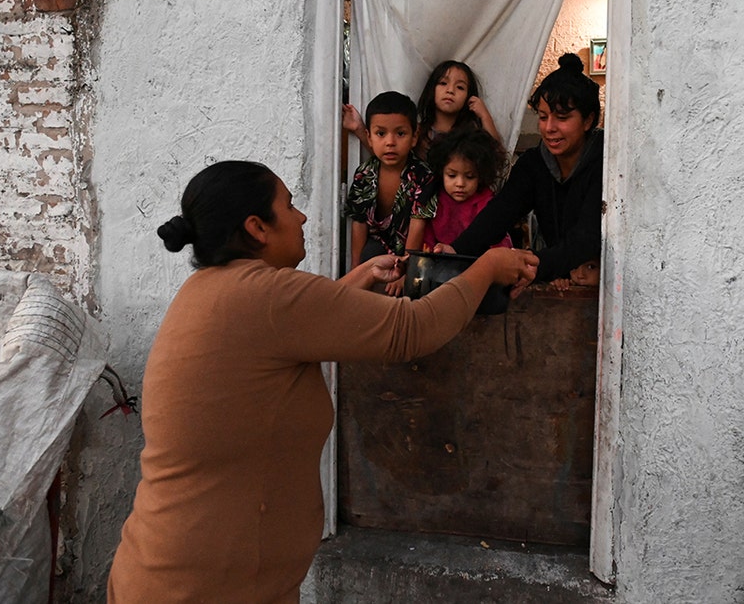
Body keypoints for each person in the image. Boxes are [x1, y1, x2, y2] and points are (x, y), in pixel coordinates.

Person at [107, 160, 537, 604]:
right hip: (200, 586)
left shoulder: (220, 290)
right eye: (289, 206)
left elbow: (305, 321)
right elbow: (413, 328)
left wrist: (364, 275)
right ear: (257, 227)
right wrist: (486, 268)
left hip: (192, 573)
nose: (303, 217)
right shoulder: (268, 296)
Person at [438, 53, 602, 282]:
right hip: (558, 279)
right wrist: (456, 251)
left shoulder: (605, 165)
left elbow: (586, 238)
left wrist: (529, 265)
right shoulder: (533, 165)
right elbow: (500, 212)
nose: (549, 128)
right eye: (543, 117)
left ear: (588, 120)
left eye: (562, 118)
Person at [343, 91, 435, 293]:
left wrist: (406, 271)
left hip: (411, 251)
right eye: (381, 134)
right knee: (367, 262)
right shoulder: (364, 174)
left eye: (400, 133)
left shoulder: (422, 176)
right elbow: (359, 223)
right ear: (369, 136)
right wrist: (356, 270)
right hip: (377, 248)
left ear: (414, 137)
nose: (390, 142)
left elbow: (418, 227)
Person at [342, 60, 502, 158]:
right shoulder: (421, 132)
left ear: (469, 96)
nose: (450, 90)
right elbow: (389, 155)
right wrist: (359, 128)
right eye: (443, 83)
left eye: (460, 87)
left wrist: (484, 116)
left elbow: (496, 154)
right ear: (431, 90)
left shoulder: (469, 131)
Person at [421, 128, 512, 251]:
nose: (460, 184)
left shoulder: (487, 203)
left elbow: (498, 241)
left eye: (469, 177)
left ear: (481, 176)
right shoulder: (434, 199)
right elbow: (426, 241)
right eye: (452, 176)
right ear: (441, 172)